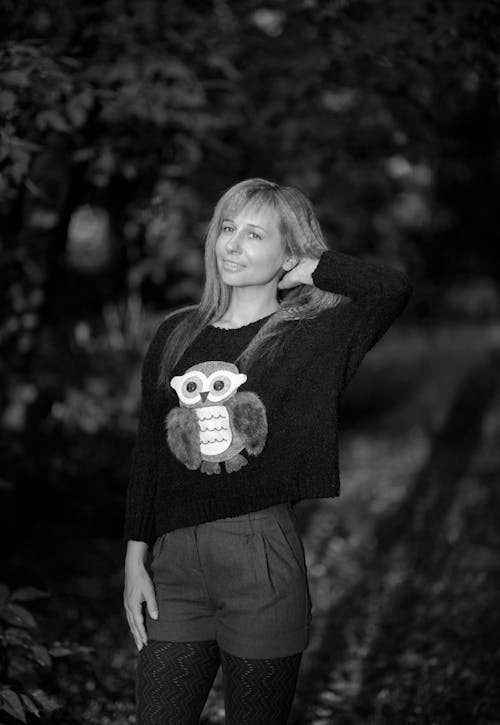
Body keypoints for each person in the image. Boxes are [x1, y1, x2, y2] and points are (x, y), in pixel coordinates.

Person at [123, 178, 412, 724]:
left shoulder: (313, 335)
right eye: (227, 228)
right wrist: (135, 559)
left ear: (289, 251)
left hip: (259, 559)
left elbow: (389, 289)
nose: (232, 245)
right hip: (173, 566)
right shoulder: (177, 334)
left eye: (255, 235)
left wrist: (313, 268)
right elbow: (148, 453)